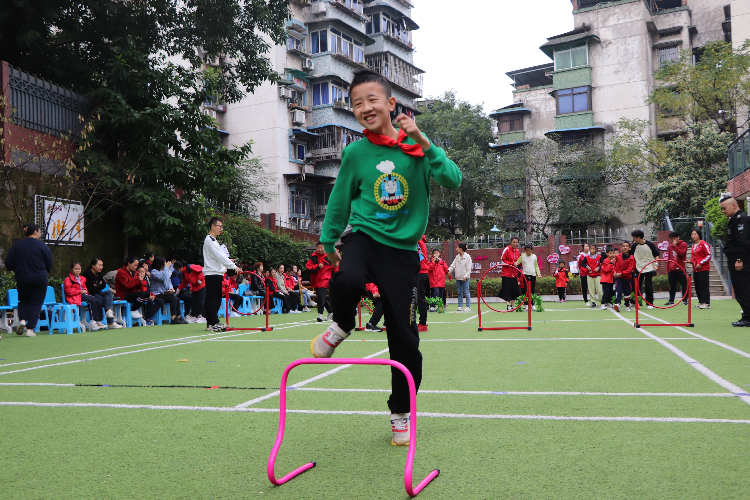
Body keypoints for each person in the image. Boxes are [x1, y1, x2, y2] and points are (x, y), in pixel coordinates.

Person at [308, 69, 462, 446]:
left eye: (371, 100)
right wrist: (329, 241)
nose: (364, 108)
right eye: (356, 103)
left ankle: (400, 412)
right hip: (363, 236)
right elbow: (341, 198)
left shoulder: (417, 148)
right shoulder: (355, 152)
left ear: (391, 104)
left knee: (406, 342)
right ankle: (342, 324)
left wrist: (424, 141)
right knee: (347, 280)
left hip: (403, 253)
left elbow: (453, 179)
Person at [4, 223, 53, 337]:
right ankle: (30, 329)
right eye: (40, 231)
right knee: (36, 303)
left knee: (23, 300)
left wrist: (16, 269)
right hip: (40, 277)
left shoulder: (17, 245)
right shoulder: (43, 246)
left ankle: (22, 320)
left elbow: (8, 262)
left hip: (23, 277)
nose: (40, 233)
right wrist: (44, 270)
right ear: (35, 232)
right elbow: (49, 263)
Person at [202, 217, 239, 332]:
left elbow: (219, 257)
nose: (221, 229)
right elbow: (220, 256)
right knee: (214, 299)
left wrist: (228, 262)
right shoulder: (210, 240)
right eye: (220, 226)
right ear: (213, 226)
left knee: (213, 298)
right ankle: (213, 323)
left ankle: (211, 323)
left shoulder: (213, 240)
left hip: (215, 273)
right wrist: (233, 266)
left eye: (222, 227)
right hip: (213, 274)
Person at [720, 196, 750, 326]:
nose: (723, 211)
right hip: (735, 258)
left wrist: (739, 259)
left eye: (724, 208)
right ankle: (746, 315)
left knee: (742, 288)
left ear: (733, 206)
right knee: (740, 288)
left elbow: (743, 242)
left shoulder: (741, 219)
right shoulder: (734, 220)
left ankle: (748, 318)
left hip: (740, 260)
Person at [81, 257, 122, 329]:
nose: (101, 267)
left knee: (108, 293)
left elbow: (103, 284)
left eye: (102, 265)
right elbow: (90, 288)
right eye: (99, 265)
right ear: (93, 265)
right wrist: (98, 285)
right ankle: (110, 322)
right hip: (90, 294)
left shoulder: (98, 273)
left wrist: (97, 285)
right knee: (103, 300)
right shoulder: (87, 273)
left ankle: (109, 311)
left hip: (97, 292)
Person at [64, 261, 104, 330]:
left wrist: (85, 291)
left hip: (82, 295)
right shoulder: (68, 279)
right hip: (75, 297)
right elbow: (68, 291)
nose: (77, 270)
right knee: (92, 301)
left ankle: (98, 320)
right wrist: (79, 291)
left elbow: (84, 287)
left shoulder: (81, 278)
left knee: (99, 301)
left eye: (79, 269)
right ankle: (92, 321)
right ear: (71, 269)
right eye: (75, 269)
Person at [115, 257, 156, 321]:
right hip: (123, 294)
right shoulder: (121, 272)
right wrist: (137, 280)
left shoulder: (133, 272)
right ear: (129, 263)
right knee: (142, 294)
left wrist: (140, 281)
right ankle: (133, 310)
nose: (136, 267)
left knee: (147, 294)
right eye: (134, 265)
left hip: (131, 293)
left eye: (137, 265)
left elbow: (138, 287)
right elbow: (126, 286)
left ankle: (135, 309)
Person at [150, 256, 188, 324]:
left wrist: (171, 288)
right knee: (173, 299)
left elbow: (168, 281)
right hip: (156, 294)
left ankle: (178, 317)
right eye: (164, 262)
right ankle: (173, 318)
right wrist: (166, 268)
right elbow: (163, 277)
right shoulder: (154, 272)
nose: (165, 263)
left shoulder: (165, 271)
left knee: (177, 298)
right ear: (159, 264)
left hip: (164, 293)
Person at [306, 242, 335, 322]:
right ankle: (330, 312)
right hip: (316, 280)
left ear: (324, 248)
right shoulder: (313, 257)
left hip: (325, 279)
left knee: (321, 296)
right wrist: (317, 266)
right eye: (318, 247)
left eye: (321, 247)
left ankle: (320, 314)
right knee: (322, 296)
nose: (320, 249)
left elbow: (335, 268)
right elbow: (308, 267)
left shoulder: (329, 257)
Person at [631, 229, 659, 309]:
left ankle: (649, 303)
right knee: (635, 285)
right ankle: (635, 302)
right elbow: (630, 254)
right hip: (638, 267)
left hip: (649, 267)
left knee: (648, 285)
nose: (633, 239)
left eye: (634, 237)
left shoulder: (649, 244)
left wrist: (656, 264)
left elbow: (657, 254)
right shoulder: (634, 245)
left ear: (638, 237)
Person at [690, 228, 712, 310]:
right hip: (695, 269)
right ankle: (701, 301)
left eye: (695, 234)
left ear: (699, 235)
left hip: (703, 269)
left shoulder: (704, 244)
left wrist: (701, 263)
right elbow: (694, 257)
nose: (693, 236)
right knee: (697, 285)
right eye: (692, 234)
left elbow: (709, 255)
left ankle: (707, 302)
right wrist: (690, 261)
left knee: (704, 285)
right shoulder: (693, 245)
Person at [666, 231, 689, 306]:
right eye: (672, 239)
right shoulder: (670, 246)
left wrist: (675, 246)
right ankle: (671, 300)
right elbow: (669, 257)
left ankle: (685, 300)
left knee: (684, 285)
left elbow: (681, 254)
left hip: (680, 268)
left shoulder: (684, 244)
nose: (673, 240)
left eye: (674, 238)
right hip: (672, 269)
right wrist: (668, 268)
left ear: (678, 237)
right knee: (672, 286)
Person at [449, 242, 472, 312]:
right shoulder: (457, 257)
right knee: (459, 293)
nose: (456, 249)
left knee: (466, 292)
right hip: (458, 277)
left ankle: (468, 306)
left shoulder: (468, 257)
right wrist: (448, 271)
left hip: (465, 278)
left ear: (461, 248)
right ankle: (460, 306)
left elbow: (468, 269)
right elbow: (453, 265)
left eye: (457, 248)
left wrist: (466, 276)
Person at [614, 241, 635, 312]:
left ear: (629, 248)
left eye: (627, 246)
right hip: (618, 278)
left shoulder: (632, 258)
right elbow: (614, 265)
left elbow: (629, 269)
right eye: (623, 246)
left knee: (627, 292)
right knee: (619, 290)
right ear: (621, 248)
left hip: (627, 277)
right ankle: (617, 304)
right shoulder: (618, 256)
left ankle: (627, 305)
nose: (625, 247)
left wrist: (621, 273)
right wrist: (614, 272)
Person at [416, 235, 430, 332]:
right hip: (422, 272)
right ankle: (422, 322)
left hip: (419, 272)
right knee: (419, 298)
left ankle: (422, 323)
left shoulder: (417, 242)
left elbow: (417, 258)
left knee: (418, 298)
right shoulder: (421, 241)